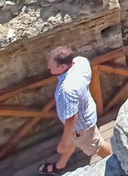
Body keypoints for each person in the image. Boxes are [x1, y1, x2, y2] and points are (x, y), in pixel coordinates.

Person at [39, 46, 112, 174]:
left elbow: (72, 118)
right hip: (85, 112)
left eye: (51, 65)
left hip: (81, 127)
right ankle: (61, 165)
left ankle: (120, 162)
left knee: (97, 145)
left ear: (62, 67)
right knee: (73, 140)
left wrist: (63, 141)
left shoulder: (68, 89)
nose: (48, 68)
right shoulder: (80, 62)